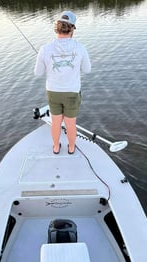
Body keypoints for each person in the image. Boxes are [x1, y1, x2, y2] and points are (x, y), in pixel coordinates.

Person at [34, 10, 91, 154]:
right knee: (71, 123)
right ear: (72, 28)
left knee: (56, 121)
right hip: (72, 92)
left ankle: (56, 147)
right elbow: (87, 70)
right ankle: (71, 148)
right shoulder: (80, 48)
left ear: (57, 27)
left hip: (53, 92)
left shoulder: (45, 49)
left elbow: (38, 73)